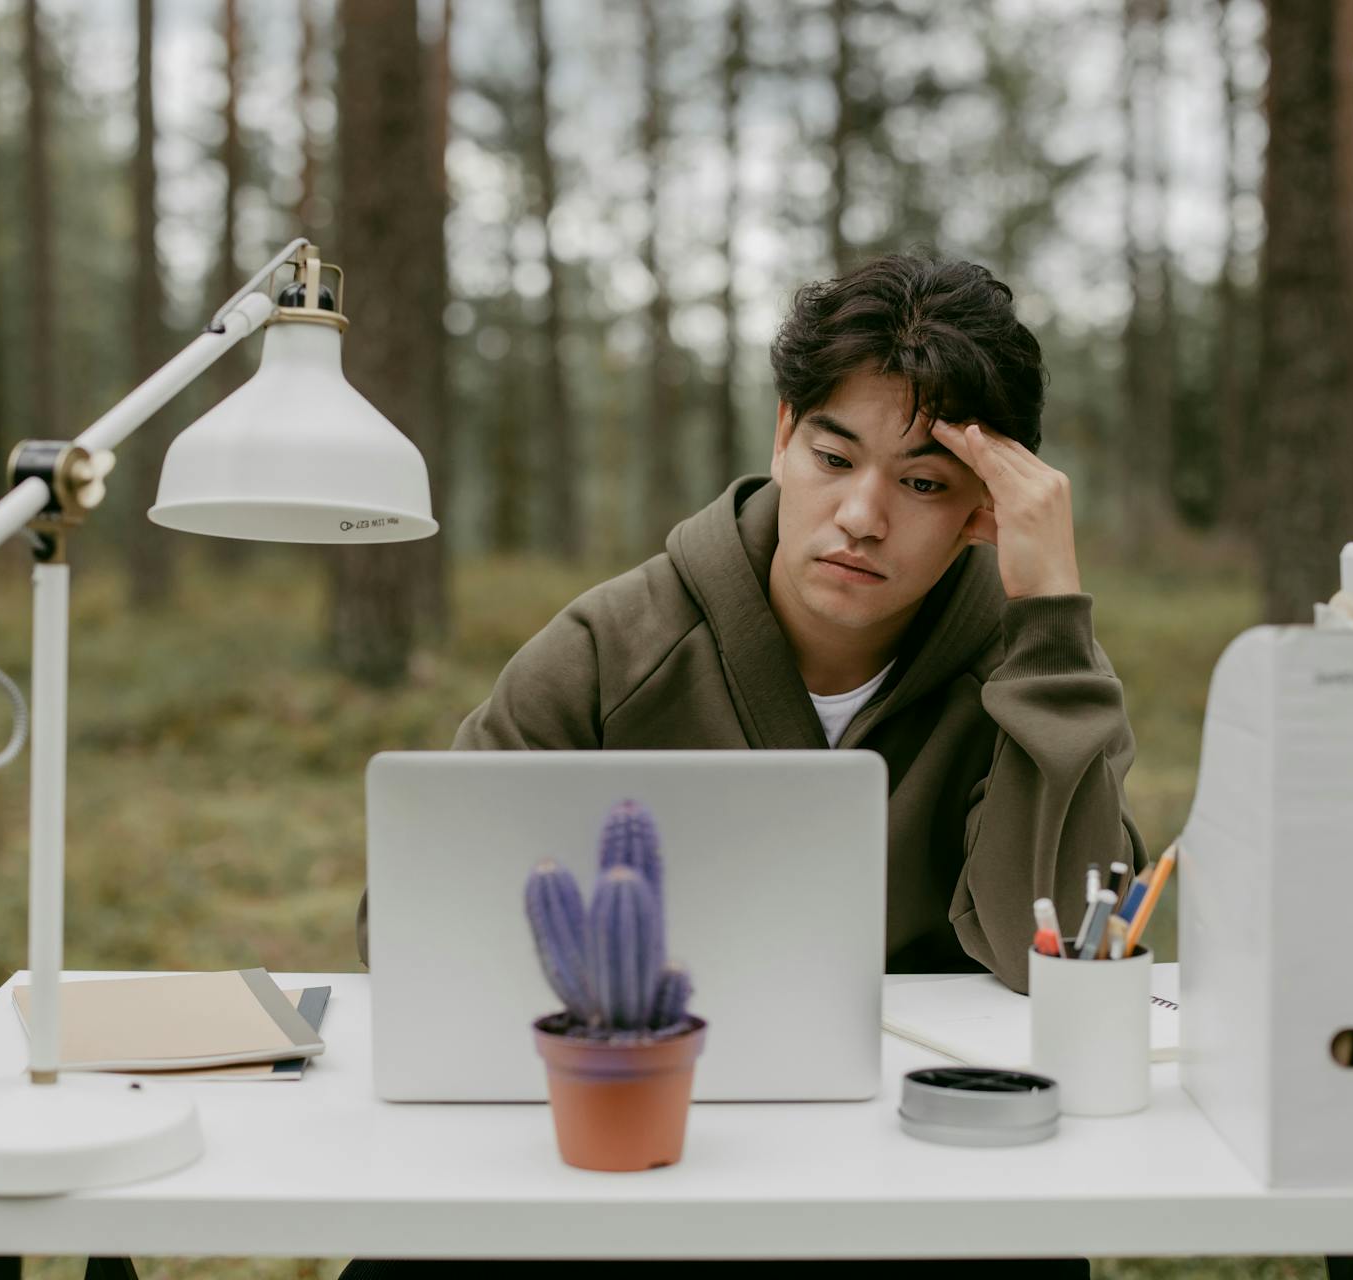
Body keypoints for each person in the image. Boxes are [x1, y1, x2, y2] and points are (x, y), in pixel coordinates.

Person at [345, 251, 1146, 1278]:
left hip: (913, 1157)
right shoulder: (611, 643)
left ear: (983, 507)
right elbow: (407, 930)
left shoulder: (1026, 664)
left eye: (923, 482)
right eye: (833, 456)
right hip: (633, 1120)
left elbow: (1053, 950)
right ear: (782, 434)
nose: (863, 514)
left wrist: (1049, 625)